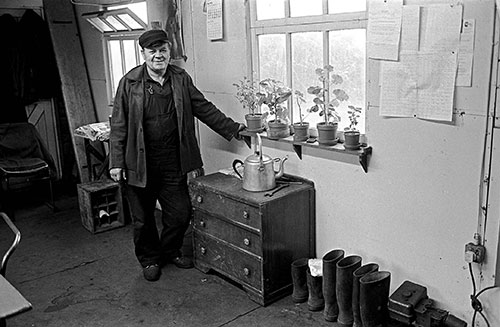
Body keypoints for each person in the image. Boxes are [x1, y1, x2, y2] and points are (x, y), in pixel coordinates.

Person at [109, 29, 245, 282]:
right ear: (144, 54)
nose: (158, 56)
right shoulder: (129, 83)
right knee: (143, 218)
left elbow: (203, 108)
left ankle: (170, 250)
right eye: (153, 51)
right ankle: (150, 259)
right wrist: (116, 161)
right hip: (139, 164)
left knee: (180, 212)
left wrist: (233, 128)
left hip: (173, 161)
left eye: (163, 50)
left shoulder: (180, 78)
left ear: (169, 52)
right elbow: (118, 124)